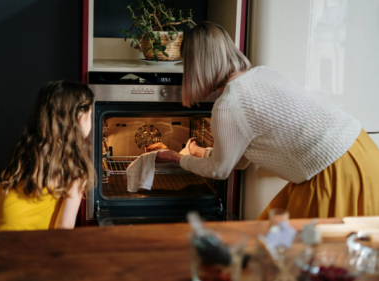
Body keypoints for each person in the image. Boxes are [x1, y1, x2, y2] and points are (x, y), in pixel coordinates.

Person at [156, 21, 379, 220]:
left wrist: (176, 158)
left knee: (313, 256)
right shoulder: (264, 74)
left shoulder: (228, 104)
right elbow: (240, 159)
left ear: (197, 65)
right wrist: (198, 152)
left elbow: (219, 171)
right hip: (362, 151)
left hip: (333, 173)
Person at [0, 80, 96, 275]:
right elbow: (63, 230)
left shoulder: (27, 152)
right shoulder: (76, 170)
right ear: (79, 119)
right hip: (23, 261)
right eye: (91, 115)